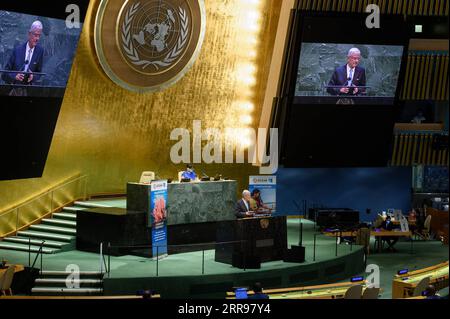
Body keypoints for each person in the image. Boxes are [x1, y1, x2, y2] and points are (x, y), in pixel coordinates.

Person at [2, 21, 44, 86]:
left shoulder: (40, 51)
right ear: (29, 34)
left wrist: (33, 77)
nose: (37, 39)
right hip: (14, 88)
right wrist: (15, 76)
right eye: (35, 35)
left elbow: (39, 73)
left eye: (39, 36)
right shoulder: (17, 50)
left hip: (29, 90)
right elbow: (5, 73)